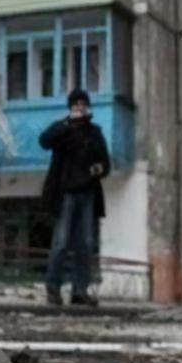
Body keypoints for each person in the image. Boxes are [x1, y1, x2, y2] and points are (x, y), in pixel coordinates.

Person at [39, 89, 111, 307]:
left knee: (86, 244)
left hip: (87, 194)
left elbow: (106, 162)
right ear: (70, 108)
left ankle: (80, 291)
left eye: (83, 104)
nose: (80, 108)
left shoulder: (94, 132)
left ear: (88, 107)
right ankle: (53, 289)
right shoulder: (62, 130)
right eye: (76, 105)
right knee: (60, 243)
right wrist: (66, 123)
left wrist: (98, 169)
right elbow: (43, 141)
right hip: (66, 194)